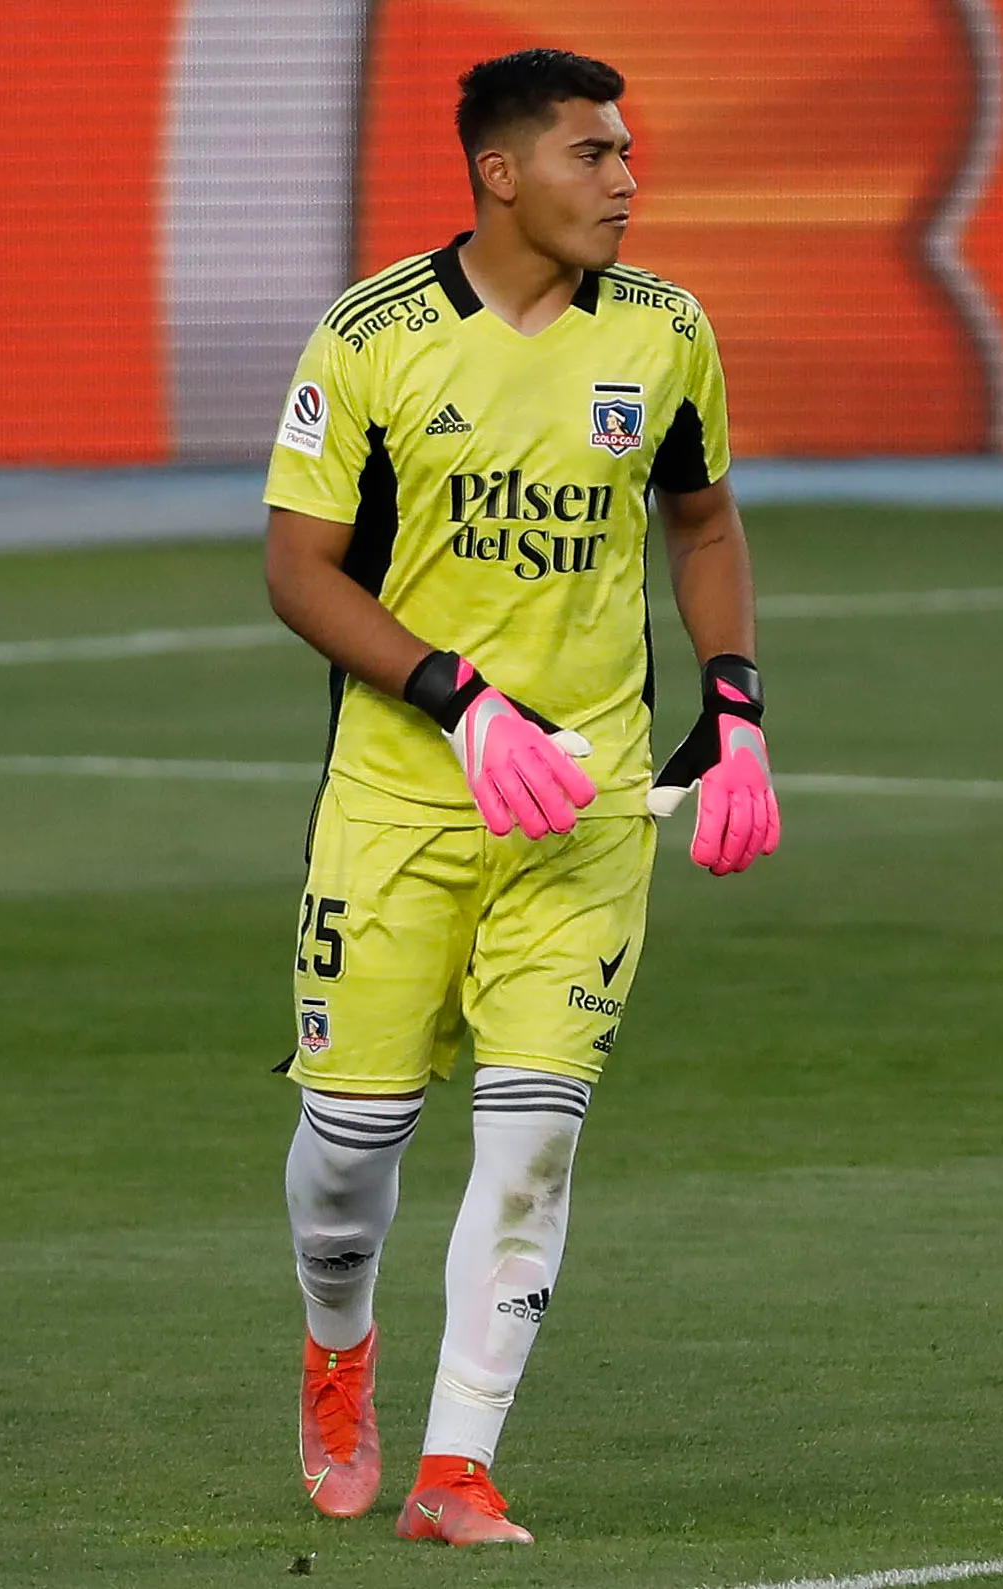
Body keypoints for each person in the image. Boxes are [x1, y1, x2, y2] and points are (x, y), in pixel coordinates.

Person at [259, 46, 778, 1546]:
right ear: (502, 173)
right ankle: (337, 1351)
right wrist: (460, 701)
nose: (628, 180)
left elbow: (705, 523)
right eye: (594, 155)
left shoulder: (667, 334)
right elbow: (299, 569)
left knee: (534, 1132)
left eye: (626, 154)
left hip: (591, 807)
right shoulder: (373, 337)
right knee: (350, 1158)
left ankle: (458, 1466)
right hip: (401, 803)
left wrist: (732, 706)